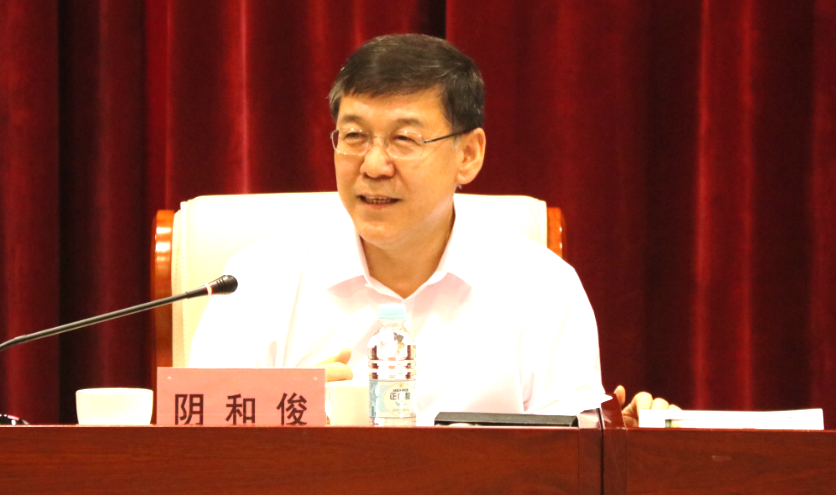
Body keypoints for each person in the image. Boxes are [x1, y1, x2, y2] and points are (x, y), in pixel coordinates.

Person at [189, 33, 677, 425]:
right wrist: (281, 414)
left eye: (404, 139)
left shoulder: (542, 288)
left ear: (469, 155)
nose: (373, 165)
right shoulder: (257, 281)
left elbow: (571, 466)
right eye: (354, 136)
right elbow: (198, 450)